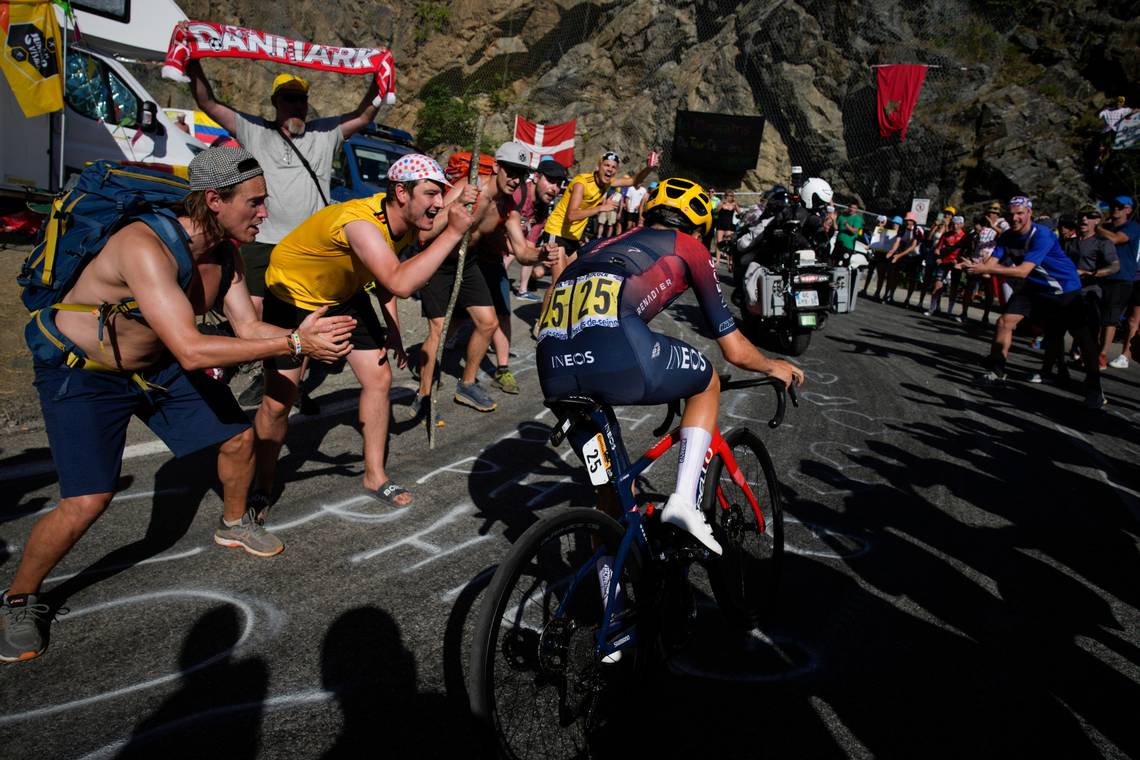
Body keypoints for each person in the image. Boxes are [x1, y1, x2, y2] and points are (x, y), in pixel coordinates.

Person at [0, 146, 357, 663]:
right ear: (214, 200)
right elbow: (193, 347)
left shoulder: (226, 251)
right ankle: (20, 596)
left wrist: (298, 334)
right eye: (255, 203)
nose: (265, 213)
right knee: (88, 499)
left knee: (237, 437)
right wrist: (295, 346)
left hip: (156, 365)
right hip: (84, 372)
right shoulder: (144, 244)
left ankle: (234, 524)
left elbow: (247, 328)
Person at [536, 177, 804, 554]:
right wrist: (771, 365)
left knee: (614, 498)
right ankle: (684, 502)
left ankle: (609, 607)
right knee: (706, 380)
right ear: (699, 227)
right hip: (620, 355)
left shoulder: (600, 244)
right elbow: (735, 349)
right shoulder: (689, 246)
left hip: (553, 365)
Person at [251, 154, 476, 512]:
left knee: (379, 378)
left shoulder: (402, 223)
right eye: (432, 194)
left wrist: (393, 330)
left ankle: (375, 475)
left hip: (342, 294)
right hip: (293, 296)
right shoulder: (359, 223)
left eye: (441, 195)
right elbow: (400, 282)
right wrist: (452, 233)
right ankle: (260, 483)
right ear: (402, 193)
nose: (438, 204)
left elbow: (383, 277)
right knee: (279, 403)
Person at [187, 62, 386, 406]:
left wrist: (380, 78)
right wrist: (193, 65)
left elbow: (365, 115)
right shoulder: (253, 130)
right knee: (251, 309)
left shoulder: (325, 133)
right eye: (288, 99)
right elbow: (208, 103)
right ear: (275, 101)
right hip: (261, 238)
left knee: (307, 313)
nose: (296, 106)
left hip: (309, 247)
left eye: (300, 99)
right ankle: (250, 368)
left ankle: (289, 384)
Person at [415, 142, 556, 414]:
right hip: (438, 260)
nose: (516, 180)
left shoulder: (508, 209)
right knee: (439, 328)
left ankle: (466, 385)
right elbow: (424, 232)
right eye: (512, 172)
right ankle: (423, 395)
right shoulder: (467, 187)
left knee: (488, 323)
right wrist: (457, 203)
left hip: (468, 263)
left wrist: (542, 253)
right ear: (496, 167)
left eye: (522, 174)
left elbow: (523, 252)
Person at [960, 196, 1104, 408]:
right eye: (1011, 214)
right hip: (1034, 286)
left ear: (1029, 213)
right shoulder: (1007, 236)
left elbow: (1022, 270)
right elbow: (990, 267)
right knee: (1004, 322)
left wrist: (986, 269)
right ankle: (997, 371)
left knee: (1081, 336)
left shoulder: (1042, 235)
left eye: (1020, 213)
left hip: (1063, 288)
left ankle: (1094, 386)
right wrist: (974, 266)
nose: (1015, 218)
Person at [1032, 205, 1119, 383]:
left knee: (1088, 338)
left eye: (1089, 217)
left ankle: (1092, 379)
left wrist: (1092, 273)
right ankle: (1051, 370)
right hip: (1064, 293)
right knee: (1055, 332)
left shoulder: (1102, 243)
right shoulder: (1068, 243)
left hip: (1088, 294)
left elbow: (1115, 266)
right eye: (1081, 217)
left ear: (1097, 221)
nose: (1084, 220)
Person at [515, 159, 568, 302]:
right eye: (550, 180)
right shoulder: (518, 194)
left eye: (558, 184)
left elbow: (529, 246)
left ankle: (523, 289)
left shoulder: (542, 210)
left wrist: (542, 254)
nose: (554, 188)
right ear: (536, 178)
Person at [1100, 196, 1140, 368]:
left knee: (1130, 319)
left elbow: (1117, 239)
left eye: (1119, 206)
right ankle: (1092, 350)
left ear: (1128, 210)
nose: (1115, 208)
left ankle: (1124, 355)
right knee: (1099, 314)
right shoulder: (1107, 227)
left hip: (1128, 277)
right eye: (1113, 205)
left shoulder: (1132, 227)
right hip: (1108, 275)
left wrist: (1097, 228)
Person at [926, 216, 968, 318]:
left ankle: (949, 312)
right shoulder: (946, 235)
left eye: (958, 224)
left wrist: (960, 261)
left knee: (954, 287)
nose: (955, 226)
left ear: (962, 224)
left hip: (956, 264)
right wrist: (938, 257)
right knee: (937, 285)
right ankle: (932, 309)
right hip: (944, 263)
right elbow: (937, 248)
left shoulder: (965, 237)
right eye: (953, 223)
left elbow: (967, 251)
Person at [882, 212, 924, 303]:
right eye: (906, 220)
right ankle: (890, 295)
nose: (907, 222)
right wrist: (892, 251)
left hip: (915, 255)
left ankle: (908, 299)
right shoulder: (903, 228)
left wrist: (899, 256)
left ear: (913, 221)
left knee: (912, 278)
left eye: (909, 220)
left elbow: (913, 246)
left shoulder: (918, 230)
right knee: (896, 274)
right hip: (904, 254)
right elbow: (897, 241)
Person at [714, 190, 740, 270]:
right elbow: (716, 211)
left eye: (731, 196)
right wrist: (721, 203)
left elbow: (740, 213)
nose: (730, 197)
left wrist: (737, 207)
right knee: (719, 243)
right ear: (726, 196)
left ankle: (729, 263)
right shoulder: (722, 203)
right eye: (729, 195)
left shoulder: (734, 204)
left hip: (729, 225)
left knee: (729, 244)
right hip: (720, 224)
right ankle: (717, 261)